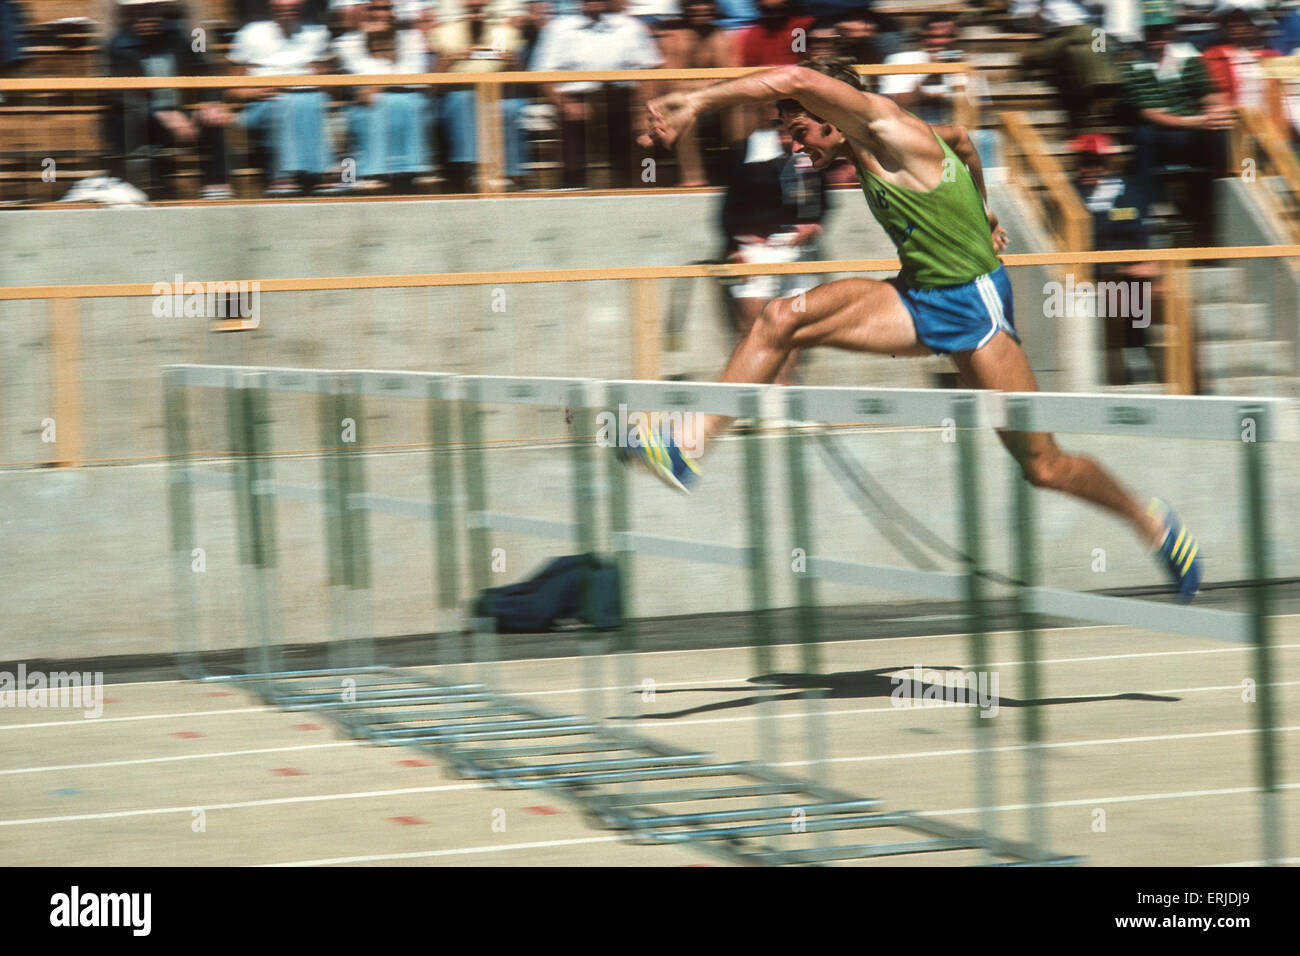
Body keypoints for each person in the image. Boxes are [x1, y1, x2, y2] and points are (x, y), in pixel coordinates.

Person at [626, 55, 1204, 601]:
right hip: (918, 294)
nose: (793, 143)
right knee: (780, 318)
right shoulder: (871, 141)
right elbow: (961, 140)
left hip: (973, 305)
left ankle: (1148, 520)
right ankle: (688, 446)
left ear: (833, 113)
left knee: (1044, 465)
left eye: (800, 129)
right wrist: (983, 210)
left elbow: (794, 75)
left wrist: (695, 101)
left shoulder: (882, 123)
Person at [105, 0, 234, 199]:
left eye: (152, 11)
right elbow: (119, 95)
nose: (147, 18)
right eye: (140, 12)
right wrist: (160, 114)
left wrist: (211, 101)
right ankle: (153, 189)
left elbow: (206, 68)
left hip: (176, 115)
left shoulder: (180, 35)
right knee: (121, 122)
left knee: (212, 120)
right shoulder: (118, 45)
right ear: (130, 15)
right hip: (138, 120)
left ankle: (216, 186)